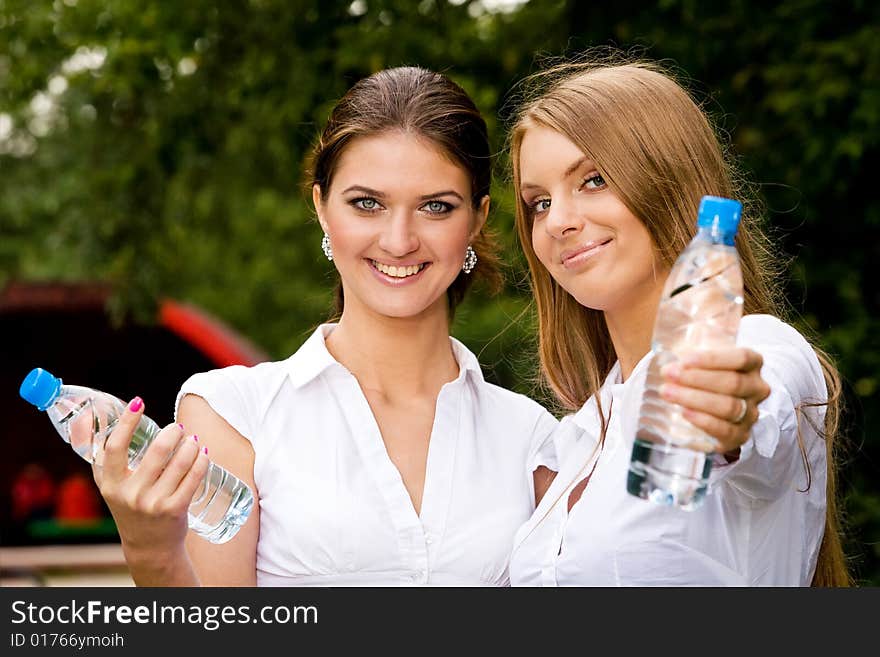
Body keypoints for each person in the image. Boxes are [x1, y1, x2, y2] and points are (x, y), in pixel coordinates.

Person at [92, 66, 559, 586]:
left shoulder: (533, 438)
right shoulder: (236, 415)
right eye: (367, 203)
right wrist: (149, 550)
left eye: (435, 207)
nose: (399, 240)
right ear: (321, 207)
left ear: (475, 219)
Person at [506, 55, 851, 586]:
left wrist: (730, 415)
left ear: (667, 181)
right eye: (539, 202)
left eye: (594, 180)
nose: (558, 221)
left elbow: (760, 405)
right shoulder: (577, 438)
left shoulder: (758, 344)